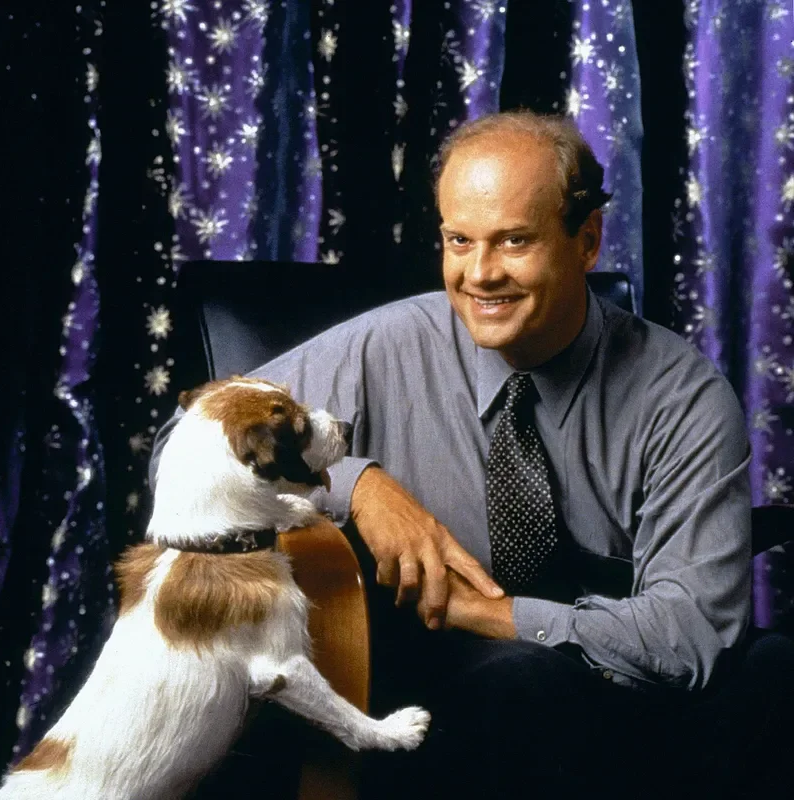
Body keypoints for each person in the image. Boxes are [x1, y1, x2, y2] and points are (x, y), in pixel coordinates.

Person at [152, 111, 794, 798]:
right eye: (460, 241)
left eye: (515, 241)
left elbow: (692, 630)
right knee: (524, 685)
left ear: (586, 241)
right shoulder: (384, 347)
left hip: (623, 676)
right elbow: (181, 448)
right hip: (426, 683)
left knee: (773, 668)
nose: (481, 275)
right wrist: (356, 484)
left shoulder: (683, 396)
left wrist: (487, 611)